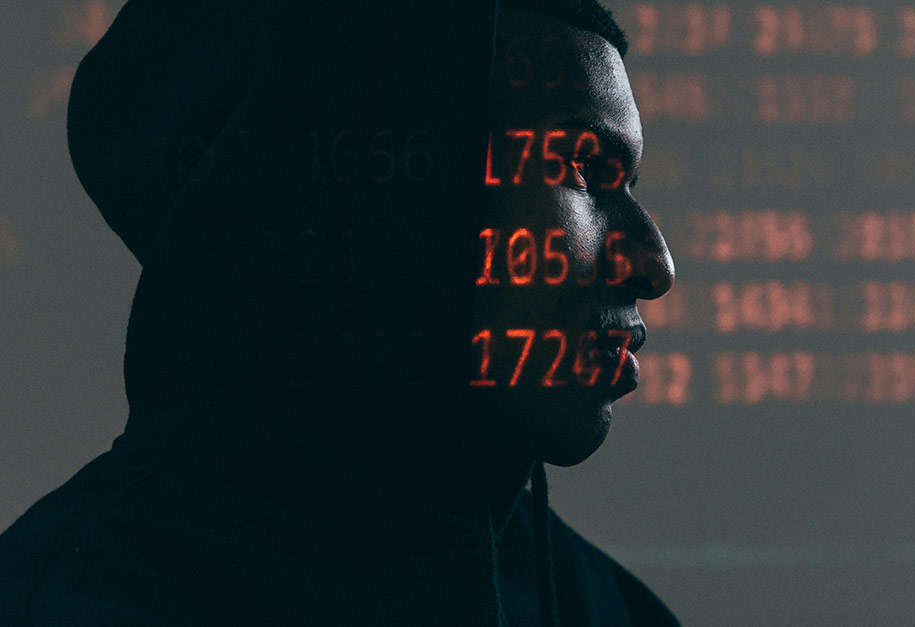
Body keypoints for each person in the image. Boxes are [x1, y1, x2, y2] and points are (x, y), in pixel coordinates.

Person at [0, 0, 678, 624]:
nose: (654, 263)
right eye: (586, 168)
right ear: (357, 201)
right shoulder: (58, 603)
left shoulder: (613, 612)